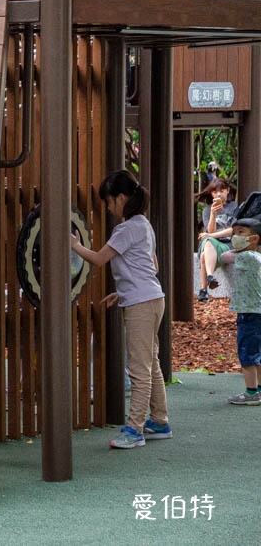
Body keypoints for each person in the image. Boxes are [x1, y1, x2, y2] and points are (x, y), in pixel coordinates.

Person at [70, 169, 171, 449]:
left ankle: (134, 430)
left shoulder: (126, 228)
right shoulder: (144, 225)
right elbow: (152, 267)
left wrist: (75, 245)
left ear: (121, 198)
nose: (109, 207)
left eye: (109, 201)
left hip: (140, 303)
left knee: (139, 368)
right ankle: (159, 421)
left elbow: (100, 259)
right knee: (151, 364)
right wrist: (122, 290)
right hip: (152, 298)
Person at [218, 218, 261, 405]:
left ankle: (251, 392)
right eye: (233, 232)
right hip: (256, 311)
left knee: (247, 354)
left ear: (254, 238)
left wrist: (234, 249)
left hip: (249, 313)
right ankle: (258, 390)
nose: (235, 236)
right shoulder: (257, 257)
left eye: (241, 232)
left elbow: (224, 257)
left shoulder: (246, 257)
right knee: (257, 354)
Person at [196, 177, 238, 301]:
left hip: (227, 244)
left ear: (228, 190)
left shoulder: (234, 207)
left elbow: (233, 230)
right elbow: (211, 230)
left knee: (205, 253)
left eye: (222, 190)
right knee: (208, 243)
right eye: (215, 191)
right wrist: (213, 214)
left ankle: (204, 289)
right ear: (211, 194)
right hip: (212, 245)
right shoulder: (207, 210)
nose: (218, 194)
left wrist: (209, 236)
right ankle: (209, 277)